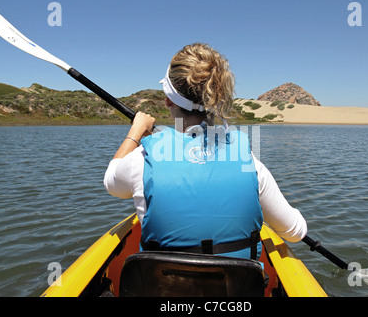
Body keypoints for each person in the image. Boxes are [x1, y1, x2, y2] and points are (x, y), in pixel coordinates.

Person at [104, 43, 307, 260]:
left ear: (168, 100)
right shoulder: (249, 162)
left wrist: (135, 132)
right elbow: (295, 232)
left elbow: (111, 184)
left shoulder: (142, 160)